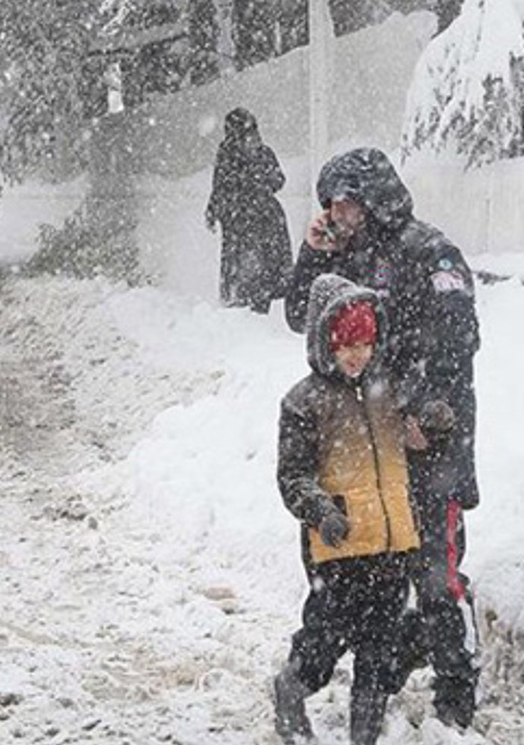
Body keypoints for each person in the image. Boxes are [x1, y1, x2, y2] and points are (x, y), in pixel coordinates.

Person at [284, 147, 480, 729]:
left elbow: (457, 343)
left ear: (369, 198)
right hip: (368, 450)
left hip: (429, 446)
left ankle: (455, 696)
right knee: (374, 573)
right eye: (329, 205)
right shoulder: (344, 255)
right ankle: (388, 667)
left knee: (436, 575)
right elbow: (301, 316)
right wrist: (312, 254)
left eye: (341, 201)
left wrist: (429, 415)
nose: (334, 213)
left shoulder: (429, 252)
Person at [273, 274, 421, 745]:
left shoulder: (389, 392)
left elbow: (412, 451)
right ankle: (292, 687)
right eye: (345, 344)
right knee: (324, 639)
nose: (357, 355)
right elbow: (293, 476)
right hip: (339, 547)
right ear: (324, 342)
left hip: (392, 544)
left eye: (365, 343)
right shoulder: (305, 401)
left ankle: (365, 737)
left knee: (379, 650)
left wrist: (430, 429)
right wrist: (322, 512)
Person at [204, 107, 293, 313]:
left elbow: (220, 186)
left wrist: (213, 210)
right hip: (260, 215)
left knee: (246, 264)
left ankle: (244, 302)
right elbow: (278, 181)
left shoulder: (228, 153)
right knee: (265, 263)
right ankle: (257, 305)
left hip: (241, 218)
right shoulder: (260, 151)